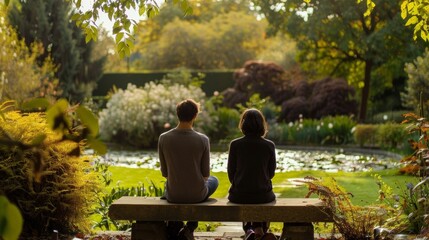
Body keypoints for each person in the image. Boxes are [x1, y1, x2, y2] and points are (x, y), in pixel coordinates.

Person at [158, 99, 219, 240]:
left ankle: (177, 226)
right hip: (197, 195)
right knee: (214, 180)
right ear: (195, 116)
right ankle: (190, 227)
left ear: (177, 114)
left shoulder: (163, 138)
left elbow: (165, 173)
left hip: (173, 195)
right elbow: (205, 175)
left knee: (173, 184)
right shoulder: (203, 140)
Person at [227, 108, 277, 240]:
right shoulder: (269, 145)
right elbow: (271, 173)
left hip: (238, 195)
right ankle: (259, 228)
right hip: (263, 195)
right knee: (261, 195)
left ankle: (249, 229)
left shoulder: (235, 144)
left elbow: (231, 174)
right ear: (262, 124)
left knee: (247, 193)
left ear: (243, 124)